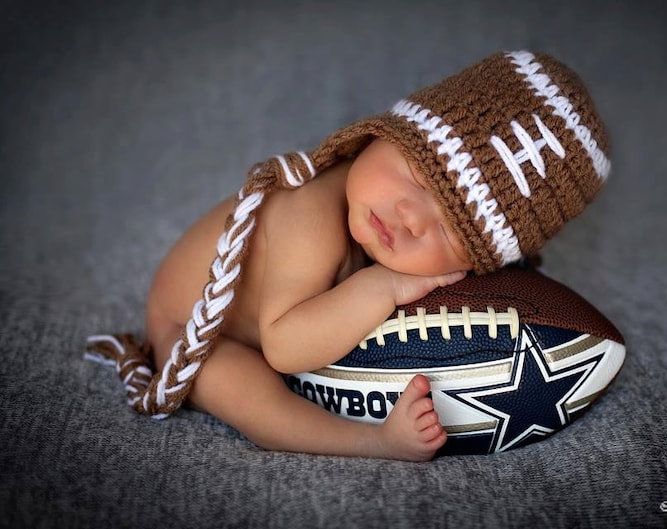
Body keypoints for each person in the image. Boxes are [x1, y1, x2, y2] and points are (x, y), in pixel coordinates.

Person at [86, 50, 611, 461]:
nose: (409, 215)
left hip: (284, 317)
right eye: (415, 173)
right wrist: (383, 287)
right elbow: (285, 347)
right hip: (189, 327)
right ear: (380, 133)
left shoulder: (386, 225)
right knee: (241, 389)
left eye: (448, 231)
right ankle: (368, 444)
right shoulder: (309, 213)